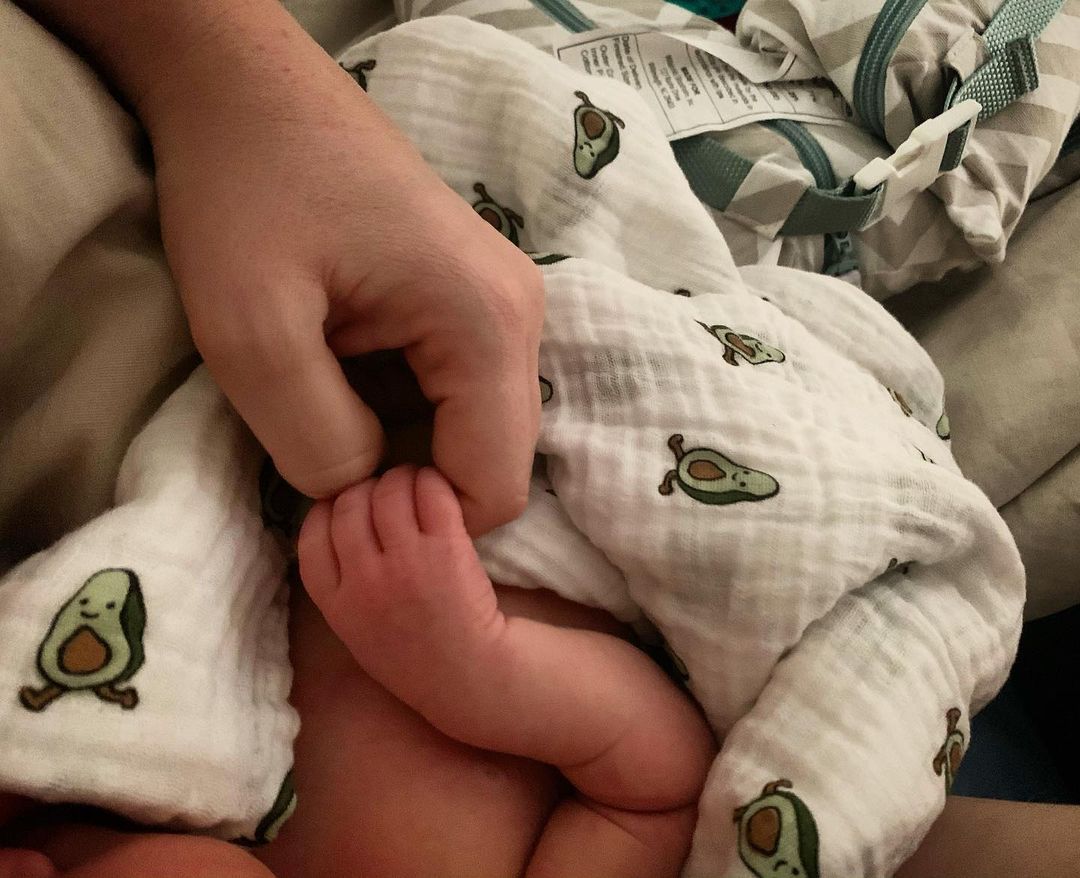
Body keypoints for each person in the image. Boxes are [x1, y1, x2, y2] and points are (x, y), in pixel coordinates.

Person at [3, 1, 1080, 877]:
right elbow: (654, 789)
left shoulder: (97, 786)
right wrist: (477, 662)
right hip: (602, 474)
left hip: (349, 366)